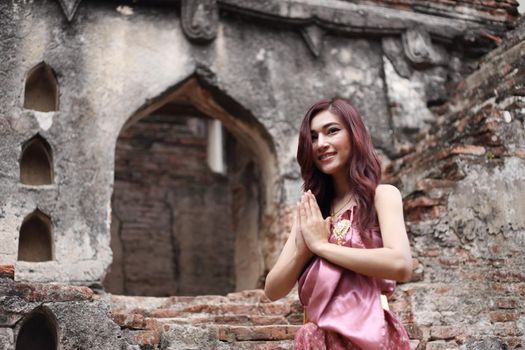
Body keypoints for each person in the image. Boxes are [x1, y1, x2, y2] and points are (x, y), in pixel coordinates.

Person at [264, 98, 413, 349]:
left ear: (355, 135)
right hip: (317, 340)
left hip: (370, 337)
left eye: (332, 131)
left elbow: (400, 264)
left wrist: (322, 247)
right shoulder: (312, 213)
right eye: (313, 137)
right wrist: (304, 249)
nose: (321, 144)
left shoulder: (382, 196)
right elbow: (273, 289)